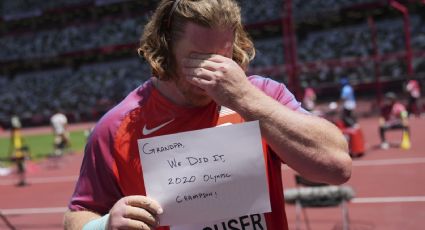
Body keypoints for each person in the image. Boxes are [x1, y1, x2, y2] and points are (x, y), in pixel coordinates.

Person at [64, 1, 351, 229]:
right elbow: (78, 215)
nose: (212, 75)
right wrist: (102, 226)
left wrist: (246, 100)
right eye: (198, 59)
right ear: (164, 47)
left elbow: (337, 167)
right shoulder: (117, 127)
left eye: (222, 58)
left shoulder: (262, 96)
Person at [8, 114, 30, 186]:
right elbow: (17, 145)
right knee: (22, 167)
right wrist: (24, 152)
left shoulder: (13, 133)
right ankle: (22, 181)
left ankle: (22, 180)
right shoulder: (16, 133)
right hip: (19, 153)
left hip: (18, 152)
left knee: (20, 167)